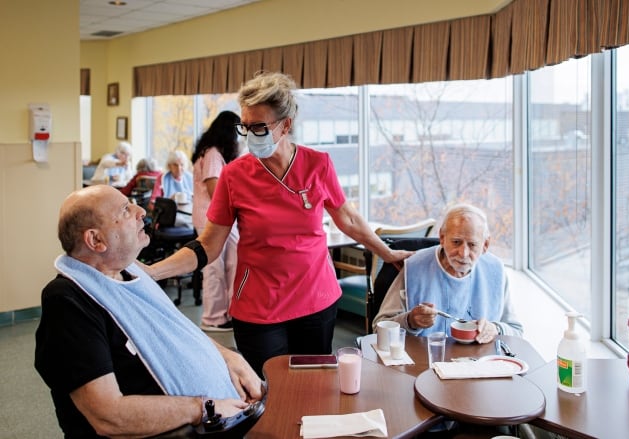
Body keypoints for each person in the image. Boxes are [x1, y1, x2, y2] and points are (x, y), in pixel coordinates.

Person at [144, 71, 412, 376]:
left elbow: (348, 218)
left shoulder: (318, 164)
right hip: (260, 306)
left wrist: (388, 253)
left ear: (286, 125)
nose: (250, 135)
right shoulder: (234, 175)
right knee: (268, 390)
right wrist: (154, 272)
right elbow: (208, 244)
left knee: (313, 387)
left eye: (259, 127)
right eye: (245, 127)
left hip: (316, 299)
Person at [34, 185, 264, 438]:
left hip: (231, 410)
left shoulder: (131, 273)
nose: (141, 211)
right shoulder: (68, 302)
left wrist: (227, 357)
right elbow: (107, 415)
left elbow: (177, 331)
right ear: (95, 240)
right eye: (125, 210)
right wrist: (202, 408)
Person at [372, 203, 523, 343]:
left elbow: (516, 331)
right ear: (442, 238)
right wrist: (410, 321)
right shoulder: (415, 266)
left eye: (472, 245)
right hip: (425, 362)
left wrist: (496, 329)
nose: (463, 253)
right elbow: (377, 330)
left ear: (485, 245)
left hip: (478, 366)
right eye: (456, 242)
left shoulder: (495, 270)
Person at [191, 110, 241, 332]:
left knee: (230, 264)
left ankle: (228, 313)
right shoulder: (212, 154)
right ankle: (213, 318)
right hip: (211, 220)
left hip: (212, 219)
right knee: (214, 269)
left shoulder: (210, 152)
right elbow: (215, 190)